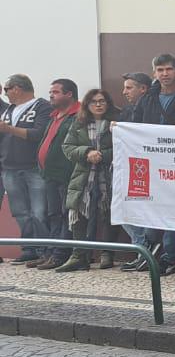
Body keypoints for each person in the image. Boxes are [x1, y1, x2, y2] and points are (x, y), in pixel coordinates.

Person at [125, 54, 175, 275]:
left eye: (168, 69)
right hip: (151, 164)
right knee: (150, 209)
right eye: (160, 70)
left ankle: (169, 257)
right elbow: (135, 126)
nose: (164, 74)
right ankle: (148, 253)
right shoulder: (148, 98)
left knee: (173, 211)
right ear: (154, 73)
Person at [59, 88, 117, 271]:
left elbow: (126, 146)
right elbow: (67, 147)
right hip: (84, 174)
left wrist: (103, 155)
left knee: (108, 212)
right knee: (78, 210)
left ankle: (108, 254)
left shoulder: (117, 122)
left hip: (109, 173)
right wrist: (86, 152)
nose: (98, 105)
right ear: (87, 105)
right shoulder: (79, 123)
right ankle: (79, 256)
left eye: (102, 101)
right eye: (94, 102)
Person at [30, 80, 81, 269]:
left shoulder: (78, 115)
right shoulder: (55, 115)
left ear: (69, 94)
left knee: (65, 214)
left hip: (67, 175)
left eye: (56, 92)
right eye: (50, 91)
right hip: (49, 174)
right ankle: (51, 252)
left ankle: (60, 254)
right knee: (53, 215)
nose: (51, 95)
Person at [0, 76, 51, 265]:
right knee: (19, 211)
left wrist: (10, 129)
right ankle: (29, 248)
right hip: (9, 168)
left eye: (7, 88)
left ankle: (45, 249)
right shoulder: (8, 110)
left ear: (18, 88)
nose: (5, 93)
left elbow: (39, 134)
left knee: (39, 211)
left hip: (33, 167)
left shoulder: (42, 106)